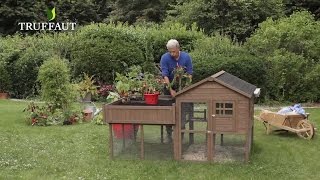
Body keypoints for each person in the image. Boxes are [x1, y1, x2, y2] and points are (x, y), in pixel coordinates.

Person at [160, 39, 193, 142]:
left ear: (178, 48)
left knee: (182, 112)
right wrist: (171, 90)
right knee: (168, 112)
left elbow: (190, 73)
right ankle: (169, 135)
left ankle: (180, 136)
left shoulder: (186, 57)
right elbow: (165, 75)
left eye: (173, 51)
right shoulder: (165, 58)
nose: (172, 54)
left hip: (183, 87)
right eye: (170, 51)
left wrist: (185, 88)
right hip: (169, 88)